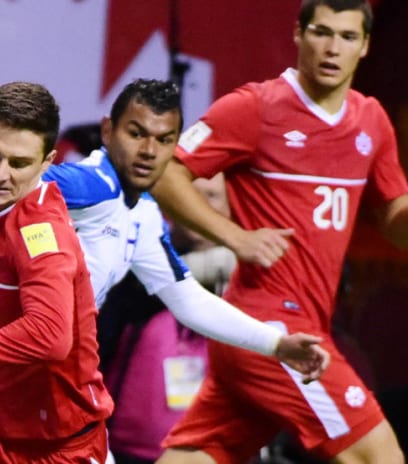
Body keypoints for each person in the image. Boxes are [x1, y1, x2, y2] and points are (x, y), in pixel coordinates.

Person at [0, 79, 331, 459]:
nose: (148, 150)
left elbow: (187, 299)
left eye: (164, 139)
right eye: (136, 133)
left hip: (31, 390)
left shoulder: (145, 218)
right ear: (108, 131)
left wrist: (277, 343)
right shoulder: (88, 182)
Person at [150, 1, 408, 462]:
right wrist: (234, 236)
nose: (332, 48)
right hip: (270, 324)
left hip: (280, 328)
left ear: (365, 46)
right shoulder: (255, 107)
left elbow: (394, 215)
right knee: (379, 457)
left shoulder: (371, 121)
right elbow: (168, 175)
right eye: (321, 32)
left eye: (347, 37)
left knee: (194, 457)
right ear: (298, 33)